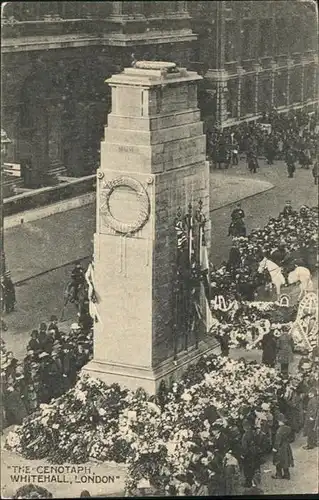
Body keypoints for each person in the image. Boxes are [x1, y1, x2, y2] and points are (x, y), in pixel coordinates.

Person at [272, 413, 294, 480]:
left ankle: (279, 475)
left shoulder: (279, 430)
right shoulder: (288, 428)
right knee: (286, 460)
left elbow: (277, 441)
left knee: (278, 460)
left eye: (278, 421)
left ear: (280, 421)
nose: (278, 423)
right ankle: (287, 475)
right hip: (286, 446)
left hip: (280, 447)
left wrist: (275, 448)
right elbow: (291, 438)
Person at [241, 419, 259, 488]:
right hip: (254, 452)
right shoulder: (253, 432)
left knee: (247, 469)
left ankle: (248, 483)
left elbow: (244, 447)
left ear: (244, 427)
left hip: (248, 454)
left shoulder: (245, 436)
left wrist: (243, 455)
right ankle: (253, 481)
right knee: (253, 467)